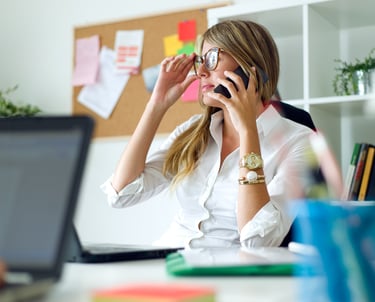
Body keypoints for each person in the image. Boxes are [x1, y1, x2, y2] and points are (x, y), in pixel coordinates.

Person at [101, 20, 316, 249]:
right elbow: (121, 194)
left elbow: (257, 240)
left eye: (212, 59)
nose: (201, 72)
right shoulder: (194, 132)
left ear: (249, 67)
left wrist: (247, 133)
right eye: (201, 61)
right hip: (167, 259)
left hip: (228, 273)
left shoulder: (299, 141)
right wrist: (157, 105)